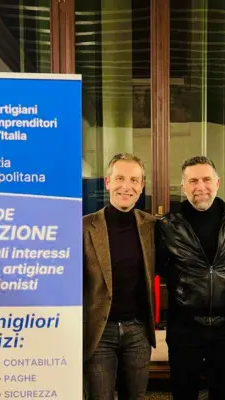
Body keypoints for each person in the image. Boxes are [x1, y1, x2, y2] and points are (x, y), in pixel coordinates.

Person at [156, 156, 225, 400]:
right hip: (184, 328)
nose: (200, 186)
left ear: (217, 183)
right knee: (184, 393)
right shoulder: (168, 225)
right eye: (193, 181)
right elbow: (161, 267)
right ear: (183, 187)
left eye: (206, 179)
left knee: (224, 393)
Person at [83, 153, 157, 400]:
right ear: (108, 182)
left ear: (142, 186)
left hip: (138, 331)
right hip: (100, 332)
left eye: (134, 180)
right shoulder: (85, 227)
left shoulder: (152, 227)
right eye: (120, 178)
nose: (127, 186)